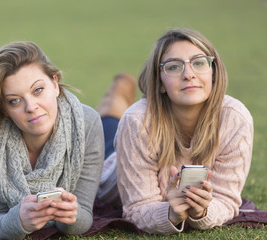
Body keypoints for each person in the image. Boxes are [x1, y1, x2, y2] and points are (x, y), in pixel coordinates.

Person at [97, 28, 253, 235]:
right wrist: (171, 214)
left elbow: (226, 201)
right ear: (160, 82)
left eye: (199, 63)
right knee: (109, 121)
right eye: (173, 67)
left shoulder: (236, 119)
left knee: (120, 117)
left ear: (213, 72)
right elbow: (137, 208)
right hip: (114, 167)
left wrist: (202, 212)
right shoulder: (136, 122)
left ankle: (121, 96)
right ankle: (119, 89)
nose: (189, 75)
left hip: (138, 128)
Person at [0, 41, 109, 240]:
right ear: (4, 110)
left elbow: (83, 214)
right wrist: (19, 221)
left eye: (38, 90)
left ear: (55, 84)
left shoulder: (87, 123)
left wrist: (69, 218)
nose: (31, 107)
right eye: (14, 100)